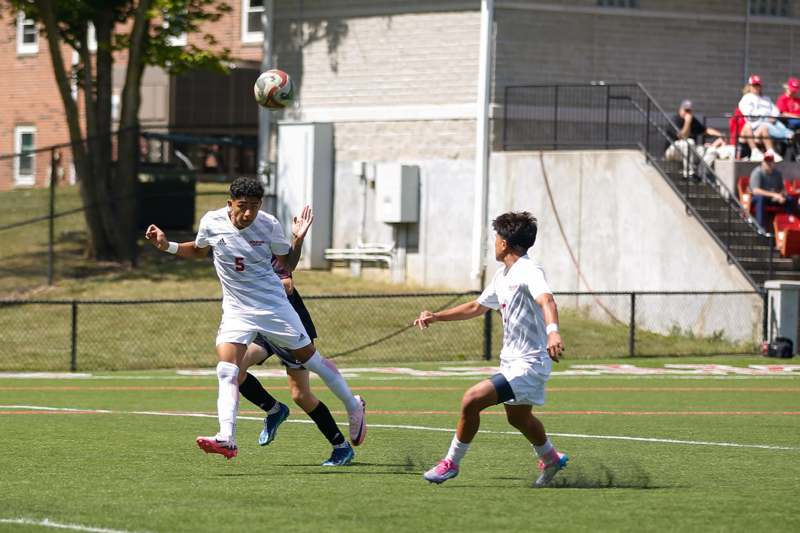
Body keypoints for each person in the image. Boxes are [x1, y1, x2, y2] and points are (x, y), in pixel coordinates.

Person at [145, 177, 366, 459]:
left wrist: (297, 239)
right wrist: (167, 246)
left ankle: (352, 404)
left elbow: (287, 265)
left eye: (254, 207)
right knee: (227, 370)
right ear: (230, 204)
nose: (248, 213)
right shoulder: (212, 221)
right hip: (237, 310)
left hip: (274, 308)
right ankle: (227, 437)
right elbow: (201, 250)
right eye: (242, 206)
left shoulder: (269, 224)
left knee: (312, 360)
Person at [414, 212, 567, 487]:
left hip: (529, 363)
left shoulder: (529, 271)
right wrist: (437, 316)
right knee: (519, 418)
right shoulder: (503, 275)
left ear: (505, 243)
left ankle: (451, 463)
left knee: (472, 399)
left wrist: (552, 331)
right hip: (512, 362)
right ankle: (551, 458)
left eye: (496, 238)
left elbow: (547, 301)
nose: (494, 243)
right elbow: (477, 307)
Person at [238, 255, 356, 466]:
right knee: (234, 370)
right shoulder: (236, 253)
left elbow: (287, 284)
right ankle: (274, 410)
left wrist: (263, 290)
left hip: (290, 329)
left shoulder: (266, 249)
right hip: (265, 328)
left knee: (301, 395)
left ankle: (341, 446)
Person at [665, 99, 725, 179]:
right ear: (680, 109)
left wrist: (722, 135)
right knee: (689, 142)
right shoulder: (675, 119)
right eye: (686, 110)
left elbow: (705, 130)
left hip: (688, 151)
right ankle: (689, 173)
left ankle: (700, 173)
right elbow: (682, 136)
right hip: (672, 151)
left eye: (689, 110)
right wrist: (687, 122)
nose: (687, 113)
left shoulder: (693, 120)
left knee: (712, 150)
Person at [738, 75, 792, 161]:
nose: (756, 87)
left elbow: (776, 111)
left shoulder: (766, 99)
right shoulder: (746, 98)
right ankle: (788, 136)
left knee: (773, 124)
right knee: (764, 126)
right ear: (750, 86)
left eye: (758, 85)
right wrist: (765, 115)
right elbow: (749, 115)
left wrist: (772, 117)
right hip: (754, 127)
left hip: (768, 124)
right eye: (754, 85)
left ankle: (773, 150)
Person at [749, 149, 794, 228]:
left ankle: (789, 225)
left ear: (774, 163)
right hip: (758, 198)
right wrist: (774, 195)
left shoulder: (777, 174)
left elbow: (782, 188)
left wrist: (782, 195)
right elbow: (756, 191)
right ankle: (761, 228)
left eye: (770, 161)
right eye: (766, 161)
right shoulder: (757, 172)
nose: (768, 163)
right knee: (760, 198)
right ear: (762, 162)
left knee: (789, 199)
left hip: (774, 198)